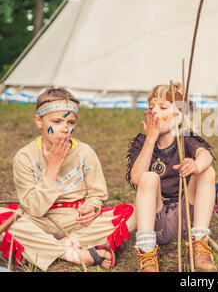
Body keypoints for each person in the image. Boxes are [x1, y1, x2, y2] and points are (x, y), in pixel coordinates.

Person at [0, 88, 136, 271]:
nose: (65, 127)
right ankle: (72, 253)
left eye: (70, 122)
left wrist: (93, 207)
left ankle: (43, 248)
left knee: (131, 212)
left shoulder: (85, 152)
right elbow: (34, 209)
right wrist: (53, 167)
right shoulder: (24, 157)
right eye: (56, 121)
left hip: (76, 222)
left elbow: (97, 194)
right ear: (38, 121)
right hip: (38, 222)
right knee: (3, 217)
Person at [126, 83, 217, 272]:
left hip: (185, 220)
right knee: (149, 177)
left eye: (163, 107)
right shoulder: (142, 142)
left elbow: (205, 155)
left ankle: (200, 246)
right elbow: (136, 178)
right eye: (151, 108)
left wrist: (195, 165)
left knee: (206, 171)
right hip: (155, 221)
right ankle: (147, 253)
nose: (155, 112)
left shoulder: (185, 138)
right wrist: (151, 138)